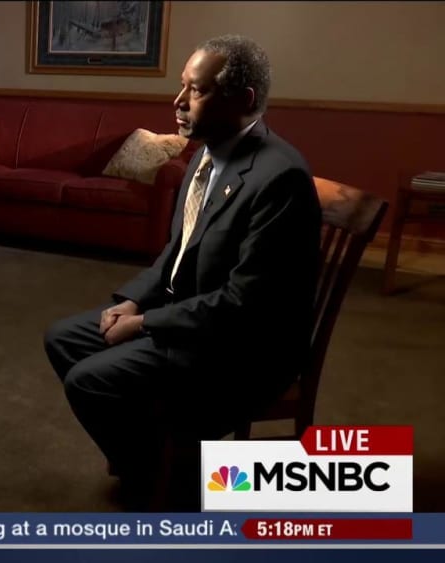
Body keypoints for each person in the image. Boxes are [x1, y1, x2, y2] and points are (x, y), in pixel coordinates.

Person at [44, 35, 321, 508]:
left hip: (241, 350)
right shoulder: (205, 155)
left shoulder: (280, 178)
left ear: (243, 100)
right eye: (182, 86)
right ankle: (155, 457)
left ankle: (170, 482)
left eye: (196, 90)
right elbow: (177, 252)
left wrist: (144, 323)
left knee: (89, 381)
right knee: (63, 339)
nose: (178, 101)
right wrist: (132, 301)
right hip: (193, 318)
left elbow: (243, 304)